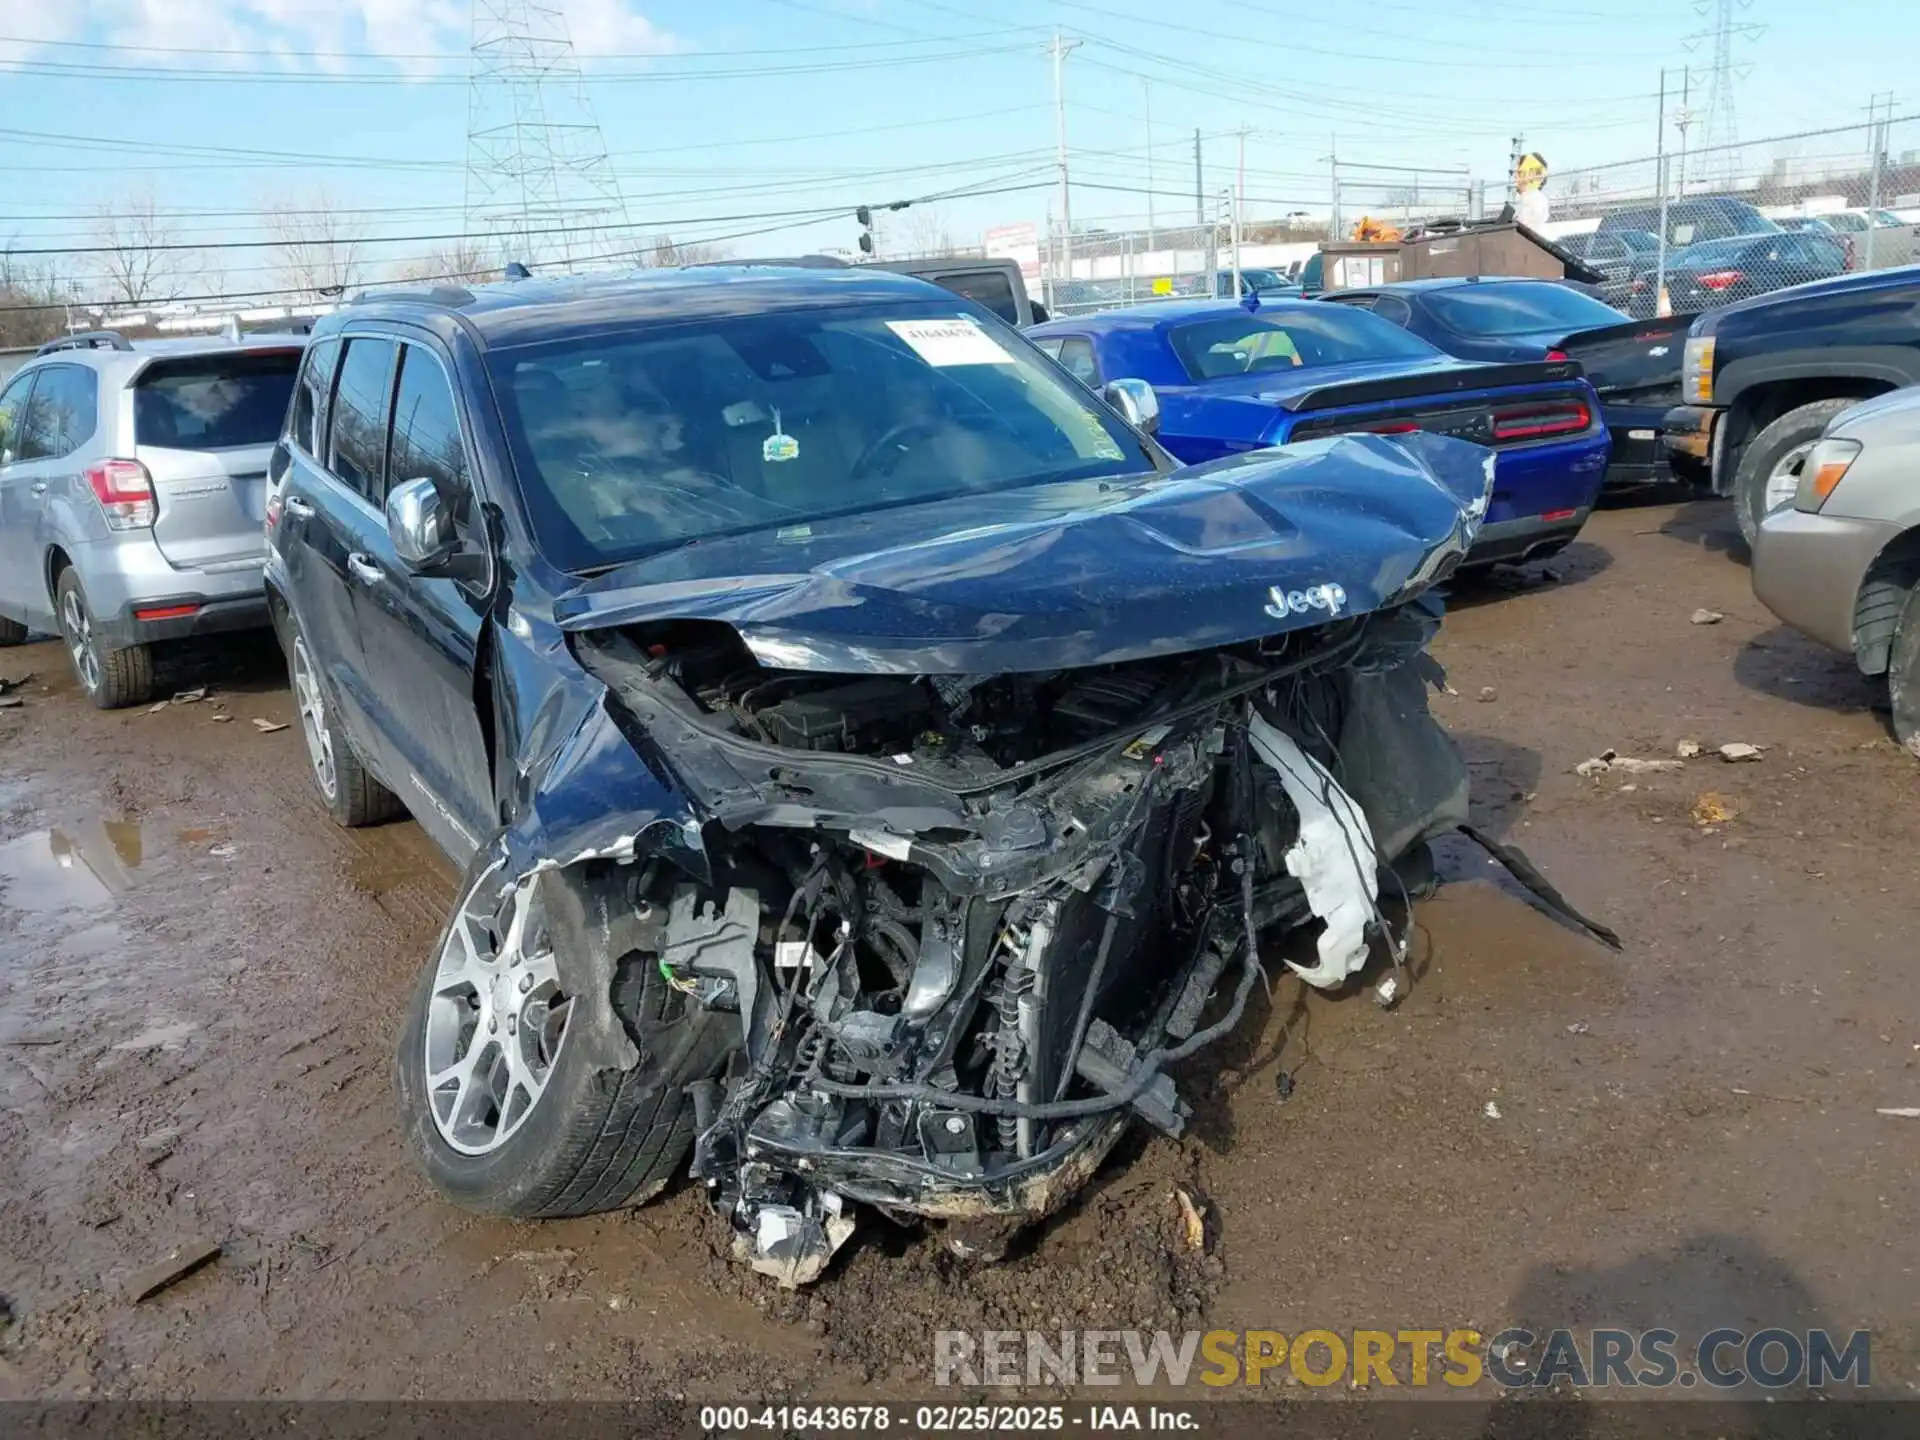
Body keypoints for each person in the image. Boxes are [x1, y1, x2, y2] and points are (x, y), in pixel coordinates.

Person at [1513, 152, 1550, 232]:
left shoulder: (1534, 198)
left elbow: (1525, 224)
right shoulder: (1521, 197)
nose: (1515, 177)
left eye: (1519, 173)